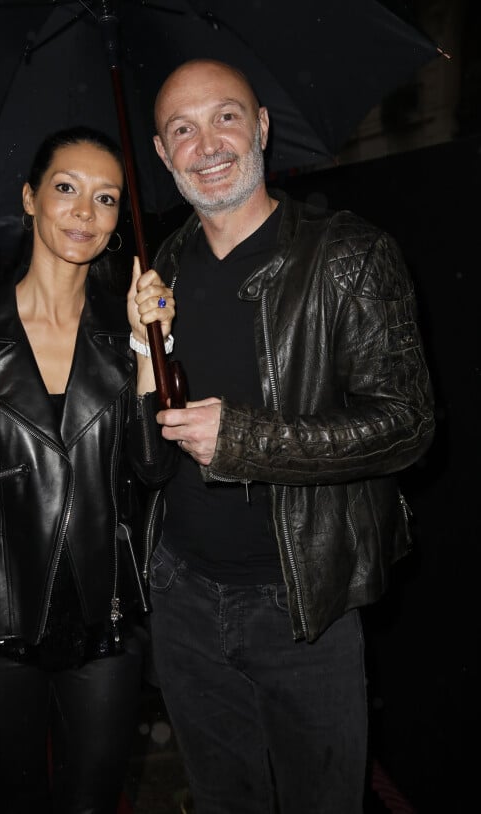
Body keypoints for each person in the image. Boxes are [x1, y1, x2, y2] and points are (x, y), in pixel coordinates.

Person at [144, 59, 435, 814]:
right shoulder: (161, 265)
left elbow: (407, 425)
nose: (206, 144)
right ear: (160, 153)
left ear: (263, 127)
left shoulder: (350, 256)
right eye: (182, 129)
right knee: (221, 799)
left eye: (226, 117)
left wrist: (247, 441)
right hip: (179, 594)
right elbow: (150, 440)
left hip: (301, 601)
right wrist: (141, 359)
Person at [0, 126, 177, 813]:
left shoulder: (129, 330)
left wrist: (151, 351)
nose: (85, 211)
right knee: (14, 798)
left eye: (106, 197)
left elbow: (152, 467)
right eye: (66, 188)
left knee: (93, 800)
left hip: (106, 614)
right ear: (29, 199)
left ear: (119, 222)